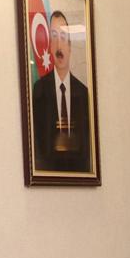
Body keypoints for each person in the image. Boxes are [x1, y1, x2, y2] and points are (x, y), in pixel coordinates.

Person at [30, 10, 92, 172]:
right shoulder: (39, 90)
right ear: (50, 46)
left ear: (70, 46)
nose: (59, 46)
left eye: (63, 37)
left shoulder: (83, 93)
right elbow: (37, 145)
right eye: (54, 37)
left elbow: (87, 147)